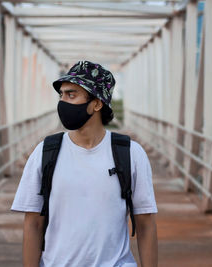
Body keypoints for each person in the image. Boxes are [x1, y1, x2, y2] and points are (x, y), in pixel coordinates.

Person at [11, 60, 158, 267]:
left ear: (97, 103)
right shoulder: (45, 152)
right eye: (61, 95)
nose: (63, 102)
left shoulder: (131, 154)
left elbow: (146, 224)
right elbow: (33, 223)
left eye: (71, 95)